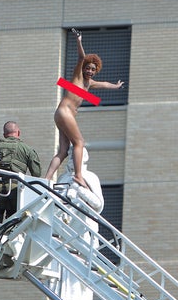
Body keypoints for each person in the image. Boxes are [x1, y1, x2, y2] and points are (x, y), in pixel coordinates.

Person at [44, 28, 124, 187]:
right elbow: (81, 56)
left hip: (62, 114)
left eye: (93, 69)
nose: (90, 71)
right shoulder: (78, 76)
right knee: (79, 142)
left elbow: (104, 84)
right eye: (88, 68)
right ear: (83, 68)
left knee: (64, 150)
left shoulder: (90, 84)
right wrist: (78, 40)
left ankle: (46, 178)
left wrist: (115, 86)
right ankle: (79, 176)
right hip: (65, 112)